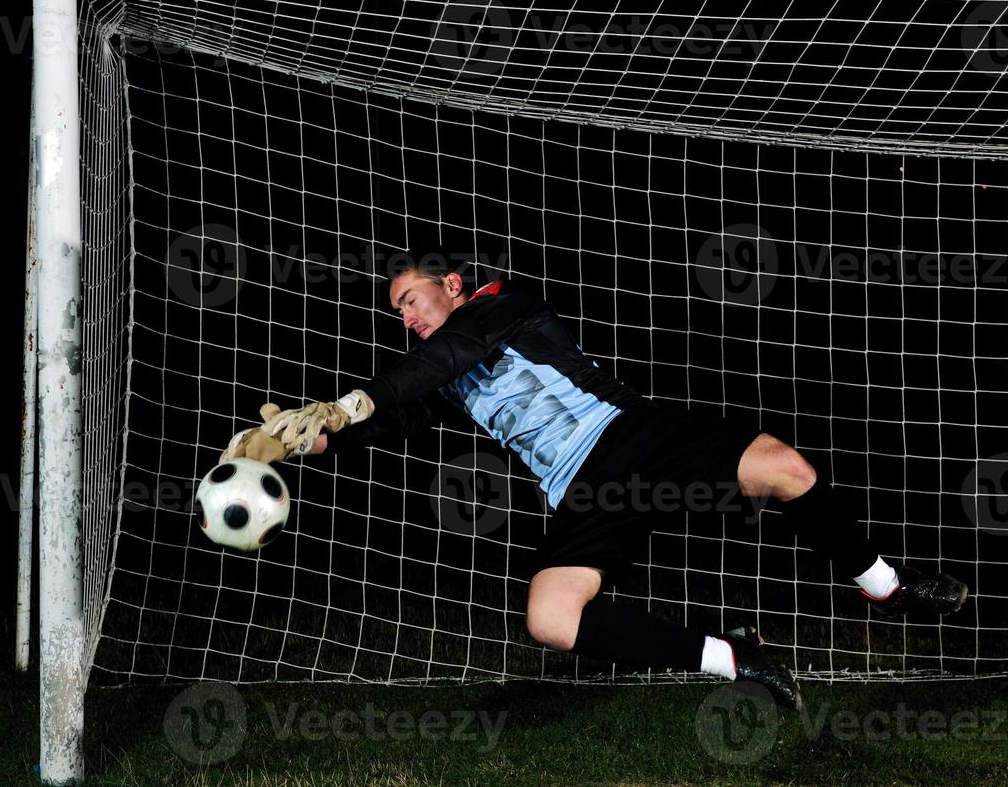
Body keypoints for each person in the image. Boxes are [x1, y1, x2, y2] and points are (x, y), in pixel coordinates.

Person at [222, 250, 968, 714]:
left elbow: (443, 359)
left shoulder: (499, 307)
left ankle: (886, 586)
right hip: (582, 489)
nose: (406, 317)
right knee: (552, 618)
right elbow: (386, 420)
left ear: (451, 284)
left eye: (411, 300)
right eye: (397, 312)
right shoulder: (437, 376)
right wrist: (295, 442)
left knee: (787, 470)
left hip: (631, 434)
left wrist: (353, 400)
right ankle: (734, 657)